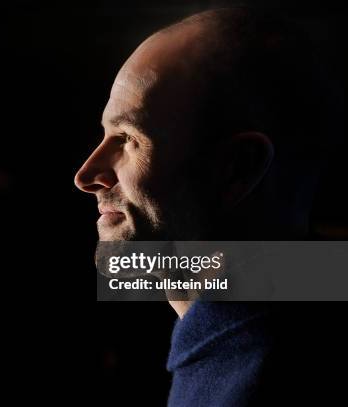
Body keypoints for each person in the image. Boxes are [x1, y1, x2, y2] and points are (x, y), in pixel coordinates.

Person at [75, 7, 343, 405]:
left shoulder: (249, 384)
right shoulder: (313, 298)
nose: (86, 174)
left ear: (237, 169)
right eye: (105, 134)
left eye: (128, 138)